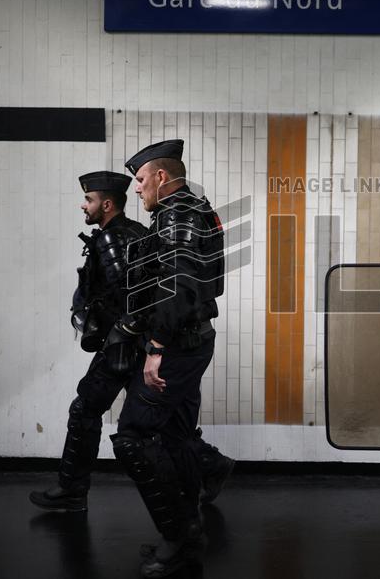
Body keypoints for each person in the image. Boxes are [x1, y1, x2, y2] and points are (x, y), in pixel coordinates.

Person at [29, 170, 233, 515]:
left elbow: (136, 298)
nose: (84, 205)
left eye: (89, 200)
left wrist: (135, 341)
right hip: (136, 343)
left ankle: (73, 490)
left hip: (125, 345)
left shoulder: (114, 240)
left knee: (96, 414)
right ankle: (211, 468)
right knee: (167, 427)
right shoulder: (136, 232)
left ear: (106, 204)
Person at [111, 139, 226, 578]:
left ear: (161, 177)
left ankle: (177, 536)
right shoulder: (189, 209)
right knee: (177, 436)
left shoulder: (177, 215)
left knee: (133, 437)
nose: (136, 189)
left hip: (177, 344)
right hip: (190, 339)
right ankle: (189, 532)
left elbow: (177, 286)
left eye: (140, 181)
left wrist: (156, 348)